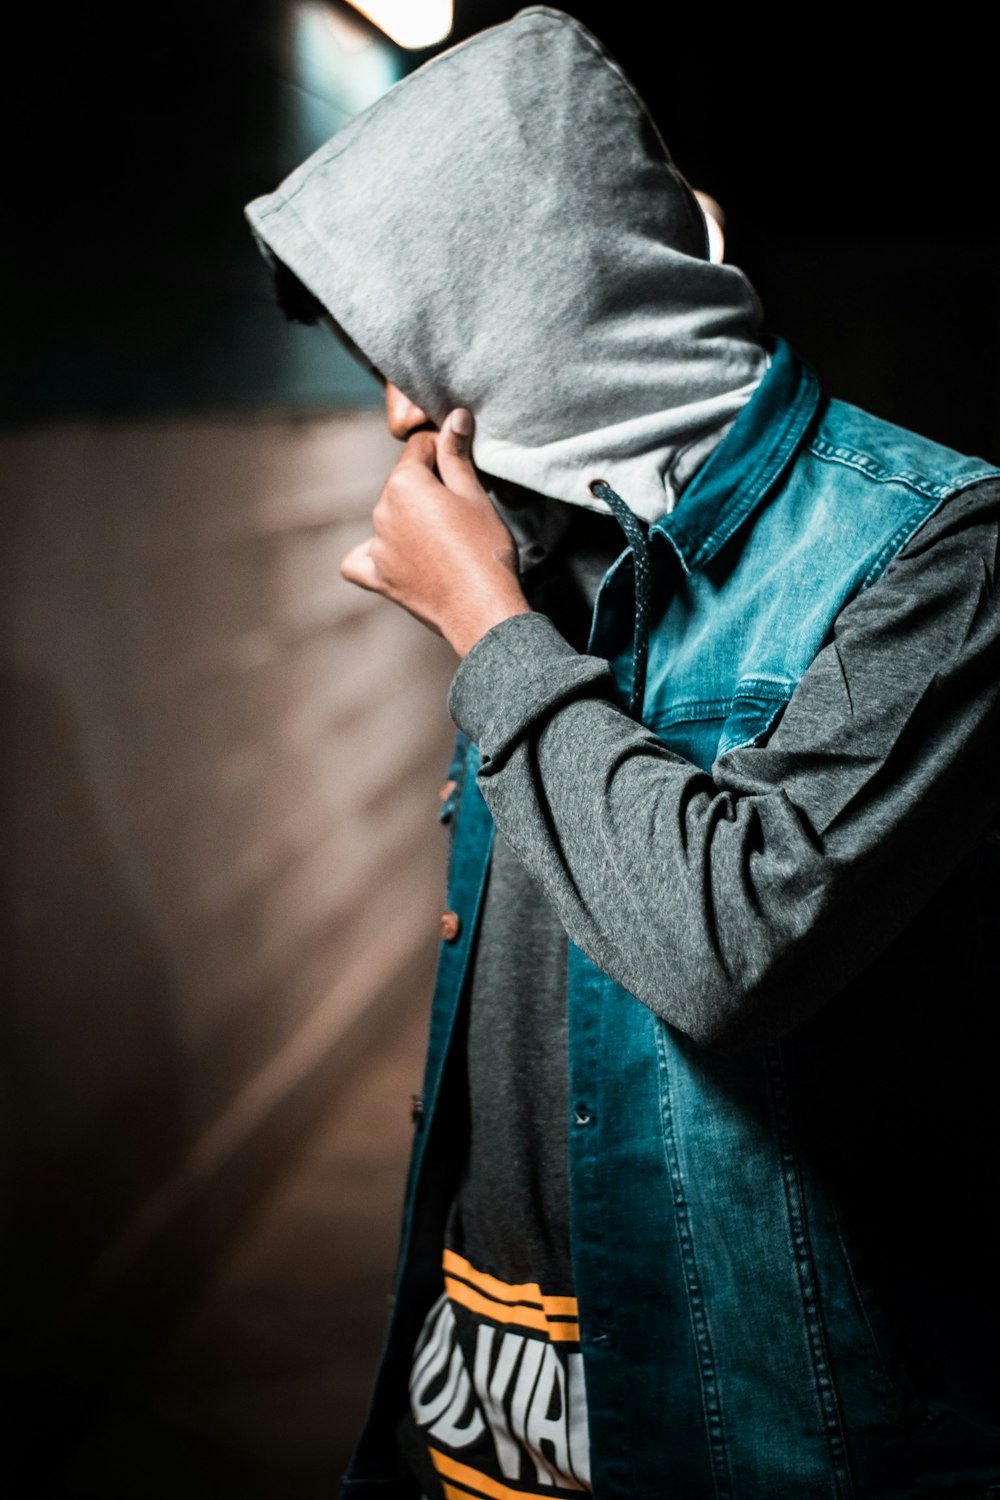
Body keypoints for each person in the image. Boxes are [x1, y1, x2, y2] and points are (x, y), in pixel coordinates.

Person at [245, 8, 1000, 1497]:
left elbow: (731, 945)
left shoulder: (938, 548)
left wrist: (486, 631)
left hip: (749, 1427)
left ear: (540, 305)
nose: (397, 411)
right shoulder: (553, 547)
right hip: (478, 1396)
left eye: (413, 349)